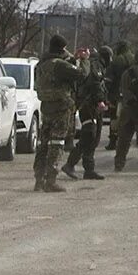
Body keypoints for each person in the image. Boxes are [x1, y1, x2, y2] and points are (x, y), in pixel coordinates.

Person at [32, 35, 79, 192]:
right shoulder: (59, 65)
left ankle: (39, 179)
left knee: (43, 144)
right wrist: (82, 60)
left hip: (46, 107)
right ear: (62, 48)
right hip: (61, 108)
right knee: (57, 143)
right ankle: (51, 181)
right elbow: (81, 75)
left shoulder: (41, 64)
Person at [64, 46, 107, 180]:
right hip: (88, 106)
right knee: (88, 136)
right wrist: (100, 100)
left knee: (92, 138)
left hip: (90, 106)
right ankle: (70, 164)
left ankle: (89, 169)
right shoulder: (96, 66)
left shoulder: (93, 65)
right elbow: (95, 83)